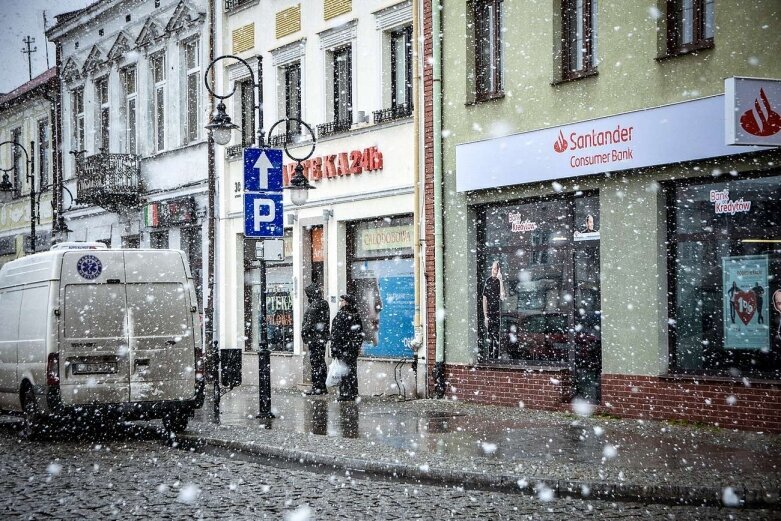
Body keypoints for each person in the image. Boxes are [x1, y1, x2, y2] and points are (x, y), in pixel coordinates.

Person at [329, 294, 364, 401]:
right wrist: (356, 346)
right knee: (352, 371)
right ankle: (353, 392)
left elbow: (336, 335)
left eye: (342, 300)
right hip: (351, 349)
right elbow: (360, 333)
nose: (340, 302)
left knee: (344, 371)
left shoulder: (341, 315)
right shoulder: (355, 315)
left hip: (343, 349)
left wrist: (335, 349)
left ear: (346, 302)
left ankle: (346, 393)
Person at [302, 284, 331, 395]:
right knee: (319, 362)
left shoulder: (316, 304)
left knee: (316, 363)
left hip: (315, 338)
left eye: (308, 293)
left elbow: (310, 322)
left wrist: (303, 332)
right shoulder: (323, 303)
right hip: (320, 338)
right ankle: (321, 386)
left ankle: (317, 387)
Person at [482, 260, 506, 359]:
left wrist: (500, 280)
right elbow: (484, 299)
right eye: (492, 268)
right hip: (490, 314)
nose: (493, 270)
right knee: (490, 338)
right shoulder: (488, 281)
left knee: (496, 338)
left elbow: (502, 297)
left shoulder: (499, 281)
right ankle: (490, 358)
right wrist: (485, 316)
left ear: (499, 270)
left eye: (495, 269)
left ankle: (496, 359)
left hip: (498, 313)